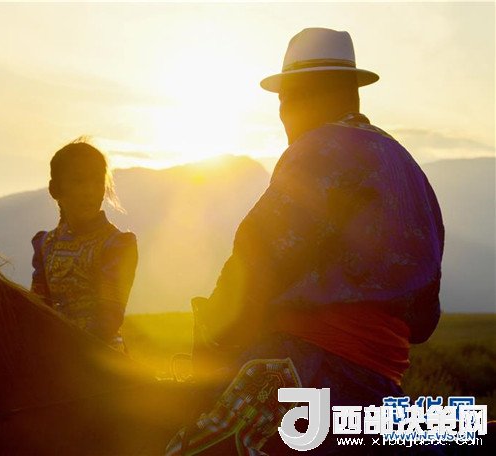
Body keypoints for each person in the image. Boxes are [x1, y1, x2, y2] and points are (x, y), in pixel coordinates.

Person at [188, 28, 444, 453]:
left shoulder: (320, 149)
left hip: (309, 372)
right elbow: (424, 321)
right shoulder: (410, 170)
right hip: (381, 387)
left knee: (191, 443)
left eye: (284, 101)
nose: (283, 117)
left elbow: (258, 258)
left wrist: (213, 333)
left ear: (299, 97)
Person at [31, 139, 137, 351]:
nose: (90, 191)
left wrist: (68, 351)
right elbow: (37, 308)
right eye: (79, 181)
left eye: (97, 181)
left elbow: (109, 317)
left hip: (103, 358)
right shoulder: (45, 245)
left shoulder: (117, 245)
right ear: (55, 189)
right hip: (53, 356)